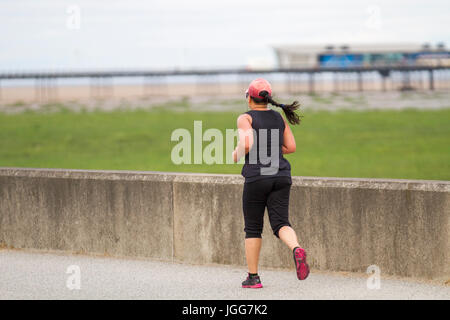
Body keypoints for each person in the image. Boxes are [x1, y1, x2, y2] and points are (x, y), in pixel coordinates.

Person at [232, 78, 309, 289]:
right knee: (281, 223)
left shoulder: (245, 118)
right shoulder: (278, 117)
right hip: (281, 175)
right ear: (267, 99)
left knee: (253, 228)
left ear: (249, 98)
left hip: (257, 177)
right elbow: (291, 147)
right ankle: (296, 248)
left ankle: (253, 278)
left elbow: (246, 144)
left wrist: (236, 154)